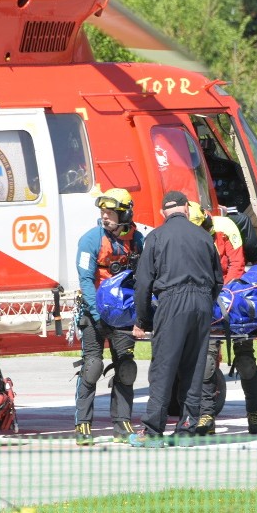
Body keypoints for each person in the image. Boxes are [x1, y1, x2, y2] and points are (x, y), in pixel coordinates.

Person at [130, 191, 223, 447]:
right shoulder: (205, 237)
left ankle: (152, 431)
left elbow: (144, 283)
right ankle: (187, 429)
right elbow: (218, 280)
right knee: (193, 367)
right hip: (202, 303)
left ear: (163, 213)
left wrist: (142, 319)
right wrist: (206, 302)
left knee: (163, 367)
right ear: (185, 208)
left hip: (172, 302)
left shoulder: (156, 237)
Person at [74, 188, 145, 445]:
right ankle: (82, 425)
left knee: (126, 369)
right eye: (103, 212)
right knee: (92, 367)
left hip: (124, 316)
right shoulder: (90, 240)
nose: (105, 217)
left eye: (110, 213)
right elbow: (85, 280)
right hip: (95, 316)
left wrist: (141, 316)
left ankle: (122, 425)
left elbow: (144, 280)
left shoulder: (139, 241)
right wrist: (98, 313)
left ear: (124, 214)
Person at [187, 202, 257, 436]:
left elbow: (237, 263)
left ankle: (254, 413)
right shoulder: (187, 236)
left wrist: (225, 294)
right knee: (208, 361)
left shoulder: (226, 227)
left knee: (245, 361)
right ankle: (207, 416)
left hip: (232, 296)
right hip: (205, 298)